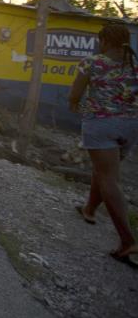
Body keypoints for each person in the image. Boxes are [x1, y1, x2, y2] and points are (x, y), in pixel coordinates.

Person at [68, 23, 138, 268]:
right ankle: (89, 210)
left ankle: (128, 241)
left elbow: (76, 93)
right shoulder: (134, 64)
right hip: (130, 126)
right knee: (103, 170)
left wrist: (74, 104)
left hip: (101, 124)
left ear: (105, 41)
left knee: (109, 178)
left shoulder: (93, 62)